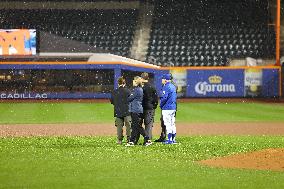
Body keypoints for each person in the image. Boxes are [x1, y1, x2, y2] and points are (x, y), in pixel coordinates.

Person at [126, 76, 152, 146]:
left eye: (134, 81)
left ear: (136, 82)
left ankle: (147, 139)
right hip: (137, 109)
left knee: (137, 126)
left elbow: (129, 99)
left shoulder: (137, 90)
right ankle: (132, 141)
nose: (132, 82)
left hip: (135, 110)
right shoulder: (139, 89)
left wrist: (128, 96)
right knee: (135, 126)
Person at [155, 74, 177, 142]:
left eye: (162, 79)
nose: (161, 80)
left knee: (167, 124)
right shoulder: (173, 86)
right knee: (172, 123)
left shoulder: (166, 86)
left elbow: (164, 98)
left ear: (165, 79)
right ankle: (173, 139)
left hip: (167, 108)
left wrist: (161, 105)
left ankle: (170, 140)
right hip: (173, 107)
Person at [110, 77, 131, 145]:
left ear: (118, 83)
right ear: (124, 83)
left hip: (118, 111)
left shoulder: (114, 92)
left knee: (119, 127)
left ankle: (119, 140)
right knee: (128, 126)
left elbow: (112, 101)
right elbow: (131, 100)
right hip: (127, 111)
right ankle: (129, 139)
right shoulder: (128, 91)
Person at [141, 72, 158, 140]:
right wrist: (154, 106)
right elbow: (156, 99)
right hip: (150, 108)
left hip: (142, 108)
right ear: (148, 78)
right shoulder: (152, 86)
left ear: (142, 78)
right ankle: (148, 139)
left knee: (138, 125)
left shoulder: (141, 87)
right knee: (149, 125)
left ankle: (135, 139)